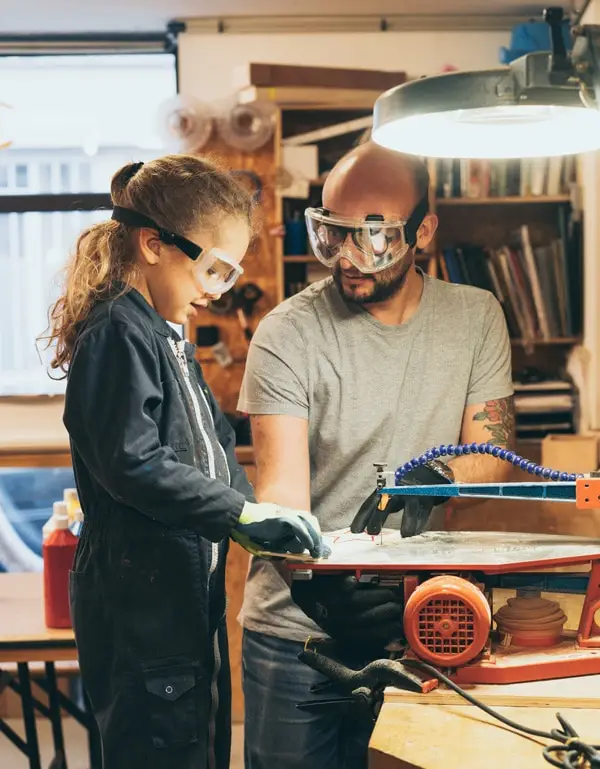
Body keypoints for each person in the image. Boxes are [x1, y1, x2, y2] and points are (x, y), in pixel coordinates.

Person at [237, 141, 515, 769]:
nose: (348, 257)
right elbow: (280, 497)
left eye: (373, 237)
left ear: (423, 232)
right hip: (299, 630)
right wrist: (319, 588)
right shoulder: (287, 333)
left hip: (424, 621)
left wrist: (438, 474)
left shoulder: (475, 318)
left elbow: (494, 452)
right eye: (333, 235)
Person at [42, 154, 326, 769]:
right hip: (140, 608)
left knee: (199, 743)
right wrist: (237, 515)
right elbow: (132, 462)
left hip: (183, 597)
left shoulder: (167, 337)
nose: (218, 290)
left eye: (231, 273)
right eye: (214, 268)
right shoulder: (118, 331)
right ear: (154, 245)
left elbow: (217, 447)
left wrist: (254, 512)